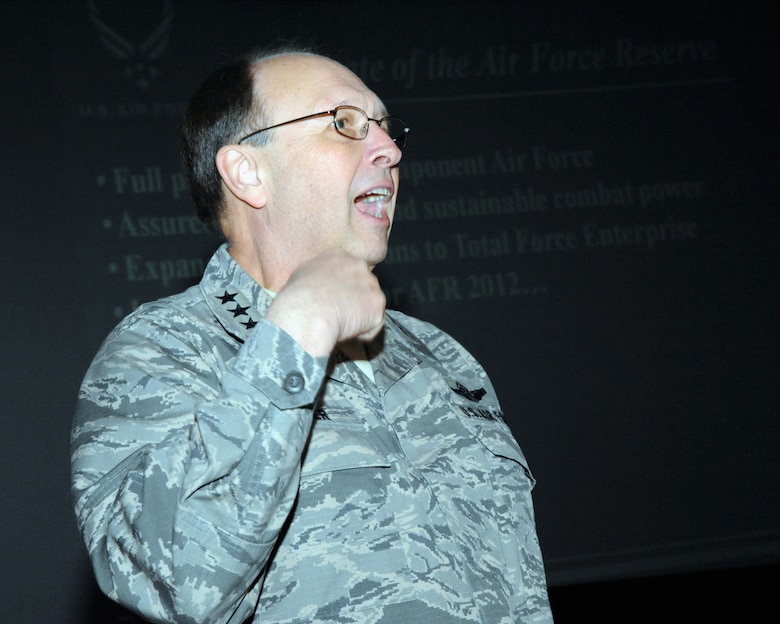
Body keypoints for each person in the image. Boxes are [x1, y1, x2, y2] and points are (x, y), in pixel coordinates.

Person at [71, 45, 553, 624]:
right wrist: (294, 335)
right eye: (345, 123)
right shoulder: (159, 352)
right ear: (248, 172)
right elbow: (176, 580)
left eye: (385, 127)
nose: (390, 149)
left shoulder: (441, 355)